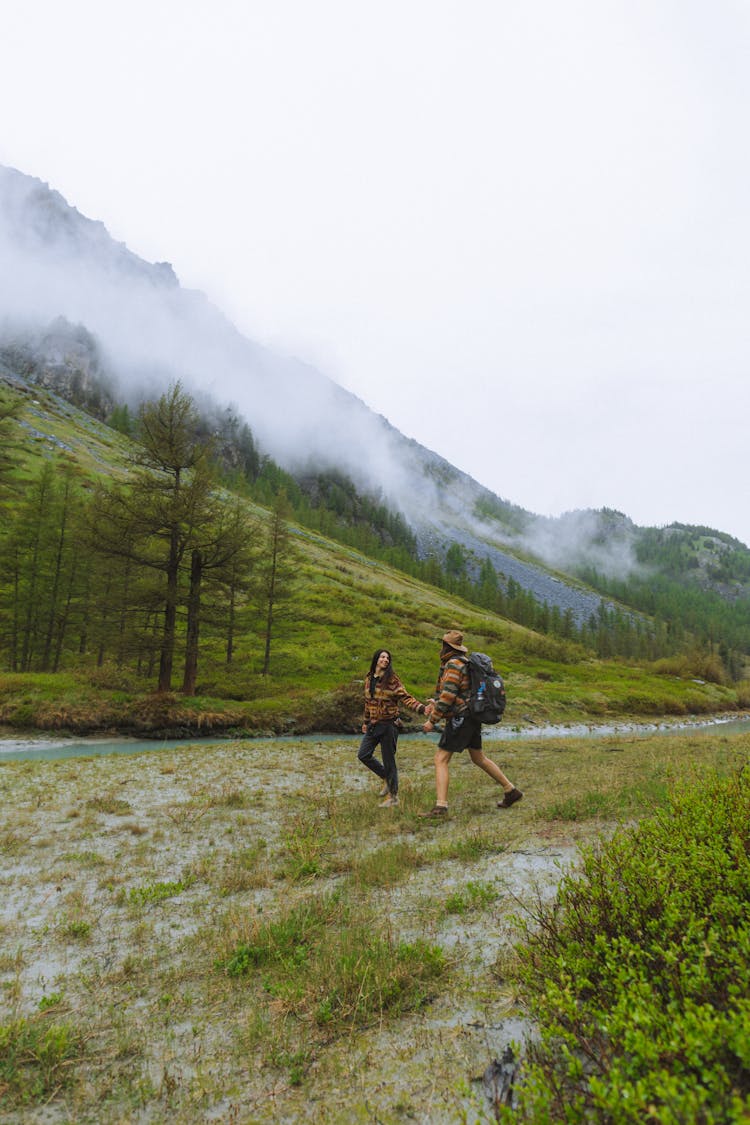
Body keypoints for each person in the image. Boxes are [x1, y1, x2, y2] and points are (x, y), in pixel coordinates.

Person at [419, 629, 522, 819]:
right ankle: (510, 790)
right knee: (478, 758)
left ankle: (441, 807)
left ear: (447, 647)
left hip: (461, 718)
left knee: (440, 759)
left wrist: (431, 720)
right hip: (471, 716)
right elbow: (459, 693)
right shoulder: (464, 663)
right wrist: (437, 703)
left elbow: (449, 696)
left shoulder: (453, 664)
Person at [359, 648, 428, 807]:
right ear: (376, 659)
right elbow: (368, 702)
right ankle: (386, 778)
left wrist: (422, 709)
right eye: (382, 657)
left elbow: (406, 698)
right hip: (373, 725)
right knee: (363, 755)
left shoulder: (392, 680)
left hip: (389, 725)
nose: (385, 660)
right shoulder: (369, 678)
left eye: (387, 658)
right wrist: (365, 721)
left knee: (389, 761)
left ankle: (393, 797)